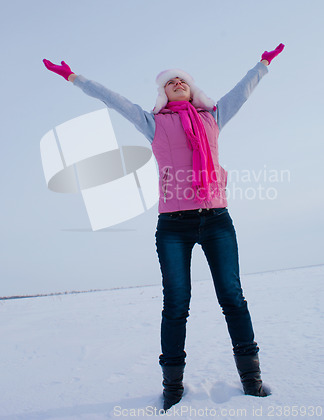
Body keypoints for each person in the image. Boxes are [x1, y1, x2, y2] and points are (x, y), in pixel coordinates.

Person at [43, 43, 284, 411]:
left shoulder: (212, 118)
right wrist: (76, 78)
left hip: (216, 219)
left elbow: (243, 91)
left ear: (190, 87)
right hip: (173, 227)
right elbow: (115, 100)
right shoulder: (153, 122)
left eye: (181, 80)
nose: (175, 83)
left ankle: (251, 380)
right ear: (162, 92)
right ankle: (172, 386)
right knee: (176, 304)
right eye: (169, 82)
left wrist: (262, 64)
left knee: (233, 298)